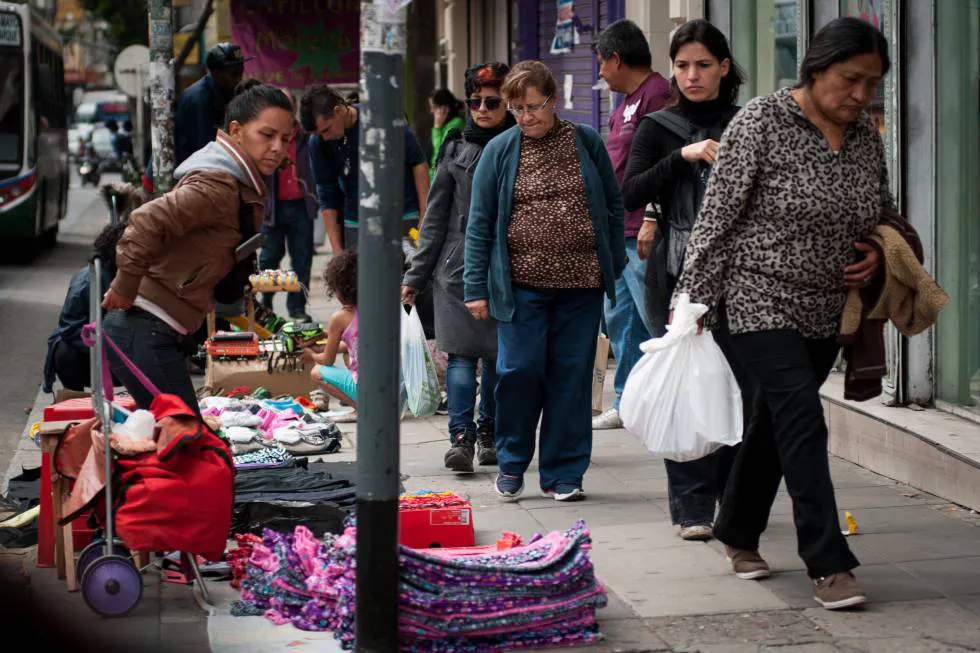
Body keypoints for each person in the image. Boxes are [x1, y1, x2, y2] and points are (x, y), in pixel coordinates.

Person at [673, 17, 891, 609]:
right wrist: (690, 302)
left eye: (872, 85)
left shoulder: (866, 136)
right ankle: (827, 561)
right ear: (817, 68)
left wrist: (875, 252)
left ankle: (738, 530)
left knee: (774, 424)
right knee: (802, 417)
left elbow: (882, 213)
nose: (860, 95)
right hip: (755, 299)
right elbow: (715, 219)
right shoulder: (762, 121)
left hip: (826, 308)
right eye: (851, 80)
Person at [464, 60, 625, 503]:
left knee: (571, 378)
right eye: (517, 108)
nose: (526, 116)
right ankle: (512, 462)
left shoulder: (585, 142)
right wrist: (475, 287)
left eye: (534, 107)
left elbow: (612, 204)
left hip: (582, 285)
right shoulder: (499, 150)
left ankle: (564, 473)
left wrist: (611, 262)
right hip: (520, 289)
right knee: (519, 371)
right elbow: (479, 224)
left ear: (554, 101)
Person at [621, 19, 747, 542]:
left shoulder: (746, 124)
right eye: (682, 66)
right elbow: (627, 192)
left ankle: (734, 499)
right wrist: (682, 157)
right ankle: (692, 506)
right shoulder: (658, 126)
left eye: (702, 64)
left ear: (723, 67)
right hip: (676, 273)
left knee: (738, 386)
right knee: (686, 385)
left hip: (741, 277)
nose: (691, 75)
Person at [102, 83, 294, 414]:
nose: (277, 148)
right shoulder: (219, 184)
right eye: (267, 135)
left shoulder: (237, 181)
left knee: (179, 442)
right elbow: (146, 219)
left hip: (154, 330)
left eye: (285, 139)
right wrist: (125, 284)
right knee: (188, 442)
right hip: (143, 328)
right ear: (235, 131)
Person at [402, 63, 516, 473]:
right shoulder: (453, 146)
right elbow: (434, 217)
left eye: (492, 102)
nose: (482, 109)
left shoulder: (523, 144)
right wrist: (415, 276)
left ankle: (488, 434)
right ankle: (462, 438)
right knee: (463, 357)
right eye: (475, 102)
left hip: (508, 271)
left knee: (500, 358)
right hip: (455, 271)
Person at [590, 19, 672, 431]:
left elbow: (663, 165)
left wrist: (652, 218)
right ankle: (627, 400)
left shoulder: (658, 96)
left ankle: (670, 397)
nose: (600, 74)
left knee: (655, 319)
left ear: (617, 58)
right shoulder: (624, 103)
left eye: (602, 63)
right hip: (617, 231)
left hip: (644, 231)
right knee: (621, 319)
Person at [300, 84, 430, 255]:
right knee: (357, 280)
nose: (326, 137)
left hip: (402, 215)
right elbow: (326, 193)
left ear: (338, 110)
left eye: (327, 129)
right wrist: (337, 249)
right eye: (319, 134)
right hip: (356, 221)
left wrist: (425, 215)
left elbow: (418, 163)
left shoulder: (381, 118)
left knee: (407, 279)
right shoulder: (317, 143)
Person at [43, 221, 128, 394]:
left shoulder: (129, 276)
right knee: (65, 351)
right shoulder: (87, 282)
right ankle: (76, 398)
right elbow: (70, 329)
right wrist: (108, 345)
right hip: (89, 353)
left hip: (120, 352)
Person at [260, 87, 318, 322]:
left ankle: (296, 308)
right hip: (273, 206)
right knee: (269, 257)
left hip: (301, 206)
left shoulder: (306, 136)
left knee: (302, 259)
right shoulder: (266, 135)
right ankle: (263, 303)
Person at [175, 42, 253, 167]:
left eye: (241, 72)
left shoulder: (227, 90)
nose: (239, 78)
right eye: (234, 74)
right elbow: (204, 150)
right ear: (217, 74)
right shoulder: (199, 99)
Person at [305, 249, 359, 416]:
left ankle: (361, 408)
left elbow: (327, 361)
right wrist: (327, 336)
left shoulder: (340, 317)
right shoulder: (377, 307)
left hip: (367, 388)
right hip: (392, 388)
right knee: (346, 355)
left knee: (317, 371)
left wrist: (311, 355)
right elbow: (356, 342)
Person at [427, 88, 465, 179]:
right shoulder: (445, 125)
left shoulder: (456, 124)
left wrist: (437, 128)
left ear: (445, 108)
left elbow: (440, 153)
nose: (431, 111)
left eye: (434, 107)